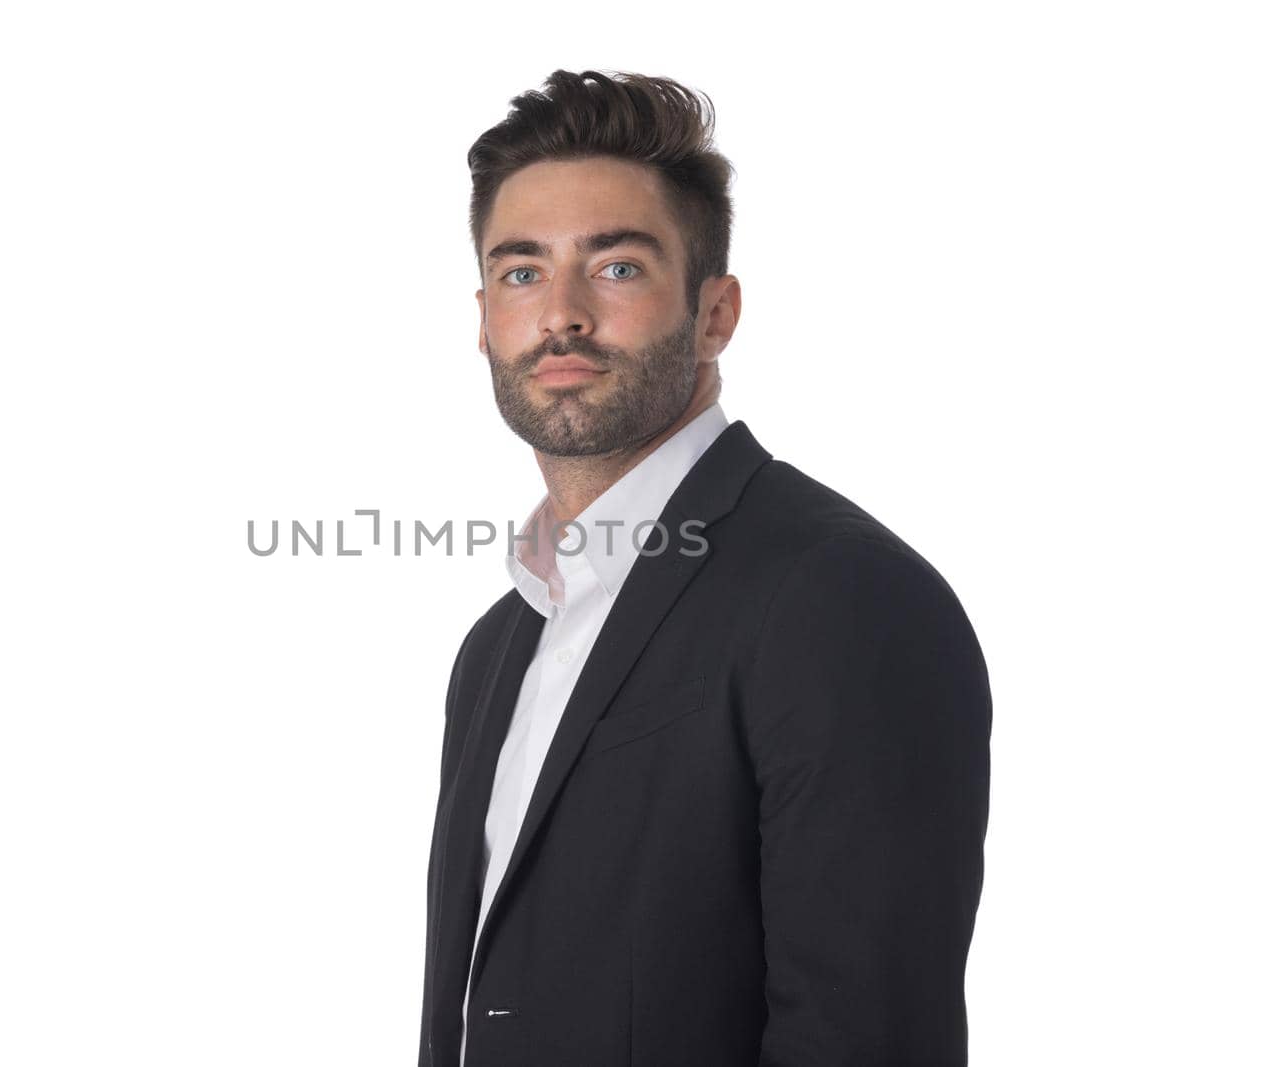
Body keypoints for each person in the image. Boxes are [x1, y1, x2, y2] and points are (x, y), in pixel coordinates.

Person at [418, 69, 992, 1066]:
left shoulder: (839, 595)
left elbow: (868, 1037)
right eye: (521, 272)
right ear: (482, 318)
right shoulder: (496, 646)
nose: (560, 314)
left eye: (617, 267)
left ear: (716, 312)